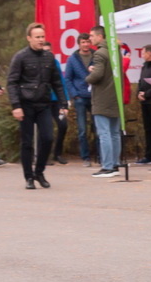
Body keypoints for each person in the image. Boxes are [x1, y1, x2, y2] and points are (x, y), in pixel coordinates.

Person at [7, 23, 67, 189]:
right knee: (27, 142)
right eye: (37, 37)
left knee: (47, 138)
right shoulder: (20, 57)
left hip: (44, 104)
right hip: (25, 104)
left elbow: (57, 83)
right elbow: (12, 82)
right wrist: (16, 105)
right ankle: (29, 177)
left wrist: (63, 103)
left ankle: (39, 172)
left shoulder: (50, 58)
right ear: (29, 38)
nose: (41, 40)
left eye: (42, 37)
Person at [85, 25, 121, 178]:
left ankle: (107, 166)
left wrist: (88, 77)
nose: (90, 39)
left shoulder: (100, 53)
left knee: (104, 133)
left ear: (100, 37)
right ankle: (115, 163)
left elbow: (98, 75)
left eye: (92, 36)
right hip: (115, 97)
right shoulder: (116, 52)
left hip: (102, 98)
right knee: (114, 133)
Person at [63, 33, 95, 166]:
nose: (86, 45)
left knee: (98, 128)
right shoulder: (73, 59)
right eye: (83, 42)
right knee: (82, 129)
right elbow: (68, 78)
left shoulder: (96, 55)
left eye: (88, 42)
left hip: (95, 97)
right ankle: (85, 157)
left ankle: (99, 156)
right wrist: (75, 95)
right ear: (79, 44)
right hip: (80, 97)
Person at [40, 41, 69, 165]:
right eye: (45, 50)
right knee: (45, 129)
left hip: (56, 100)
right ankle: (43, 155)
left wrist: (65, 101)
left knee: (63, 125)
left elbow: (61, 82)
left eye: (49, 50)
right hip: (43, 100)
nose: (47, 53)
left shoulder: (55, 63)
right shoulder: (37, 63)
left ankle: (57, 153)